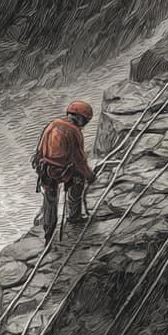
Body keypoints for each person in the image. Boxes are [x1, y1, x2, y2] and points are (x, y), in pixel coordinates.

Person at [32, 101, 96, 241]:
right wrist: (89, 176)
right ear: (81, 119)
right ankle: (74, 216)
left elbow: (40, 150)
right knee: (78, 181)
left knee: (50, 201)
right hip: (62, 171)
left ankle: (48, 233)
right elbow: (78, 159)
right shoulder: (74, 131)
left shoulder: (53, 124)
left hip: (45, 170)